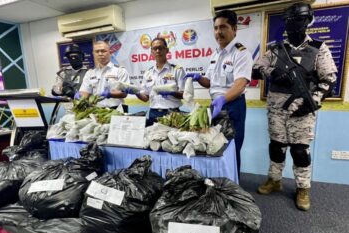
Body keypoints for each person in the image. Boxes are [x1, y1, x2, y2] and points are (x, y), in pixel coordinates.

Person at [252, 3, 337, 211]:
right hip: (276, 109)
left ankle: (302, 188)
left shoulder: (318, 48)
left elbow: (329, 79)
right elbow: (256, 68)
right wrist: (272, 72)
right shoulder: (276, 48)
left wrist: (312, 102)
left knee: (300, 151)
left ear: (308, 21)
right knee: (276, 146)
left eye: (297, 20)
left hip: (303, 110)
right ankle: (274, 179)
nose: (292, 24)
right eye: (289, 20)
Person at [185, 10, 253, 177]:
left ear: (235, 29)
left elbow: (240, 84)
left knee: (231, 148)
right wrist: (198, 78)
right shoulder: (215, 54)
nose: (218, 32)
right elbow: (210, 82)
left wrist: (223, 99)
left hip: (232, 107)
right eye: (215, 28)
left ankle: (232, 187)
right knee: (214, 145)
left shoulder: (241, 53)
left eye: (223, 27)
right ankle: (216, 184)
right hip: (215, 106)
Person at [128, 37, 185, 125]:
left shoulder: (177, 70)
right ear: (151, 52)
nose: (158, 51)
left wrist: (171, 93)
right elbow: (145, 98)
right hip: (153, 113)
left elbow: (184, 94)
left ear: (167, 50)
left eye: (161, 48)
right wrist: (136, 92)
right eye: (155, 49)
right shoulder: (148, 73)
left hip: (173, 114)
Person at [78, 40, 130, 110]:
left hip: (116, 109)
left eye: (103, 51)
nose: (100, 54)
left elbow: (124, 93)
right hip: (96, 110)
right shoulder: (90, 73)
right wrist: (79, 97)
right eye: (97, 51)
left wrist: (110, 94)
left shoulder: (120, 71)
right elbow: (85, 92)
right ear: (93, 53)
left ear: (110, 52)